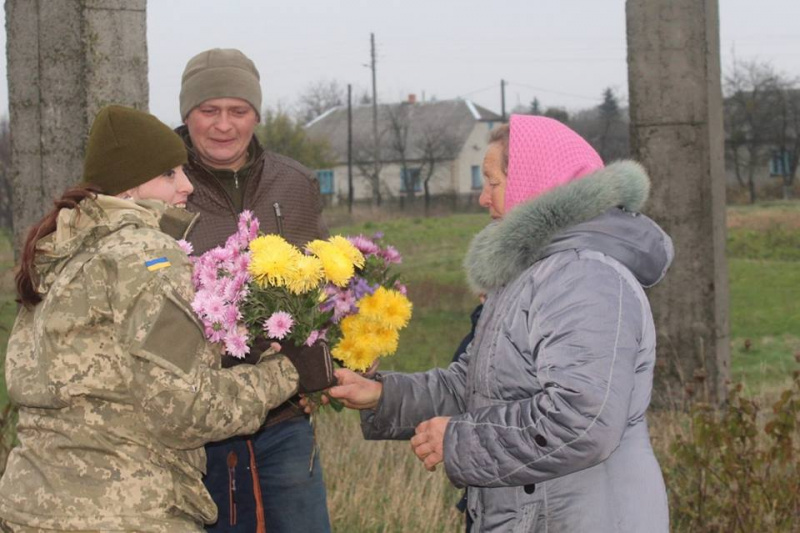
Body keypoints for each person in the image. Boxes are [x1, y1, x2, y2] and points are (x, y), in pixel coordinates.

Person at [329, 115, 673, 532]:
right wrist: (382, 396)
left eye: (492, 182)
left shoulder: (584, 277)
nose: (482, 197)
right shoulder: (531, 274)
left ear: (535, 182)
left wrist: (459, 440)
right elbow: (473, 388)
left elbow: (582, 420)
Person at [0, 105, 305, 532]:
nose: (186, 185)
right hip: (125, 511)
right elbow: (183, 411)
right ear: (129, 186)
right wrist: (287, 372)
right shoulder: (147, 256)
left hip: (30, 510)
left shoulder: (60, 253)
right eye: (168, 174)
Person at [176, 48, 331, 533]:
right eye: (209, 110)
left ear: (256, 116)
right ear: (187, 114)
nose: (224, 125)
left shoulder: (295, 183)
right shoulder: (163, 185)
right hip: (194, 425)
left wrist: (324, 370)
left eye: (238, 110)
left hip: (282, 420)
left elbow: (323, 287)